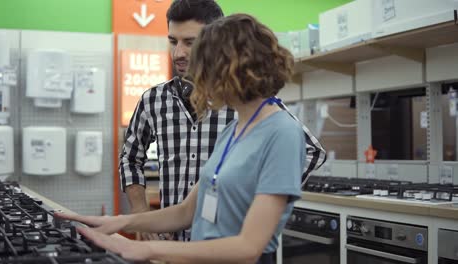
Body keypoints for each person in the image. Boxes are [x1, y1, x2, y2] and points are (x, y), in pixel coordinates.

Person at [57, 13, 313, 264]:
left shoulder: (282, 133)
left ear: (233, 70)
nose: (198, 82)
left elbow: (248, 247)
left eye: (204, 70)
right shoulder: (234, 130)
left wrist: (144, 250)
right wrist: (119, 222)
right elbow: (187, 211)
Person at [120, 0, 326, 242]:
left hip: (226, 244)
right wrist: (136, 215)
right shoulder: (157, 101)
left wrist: (258, 199)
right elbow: (134, 161)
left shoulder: (257, 111)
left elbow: (311, 151)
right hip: (177, 243)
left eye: (190, 42)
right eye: (173, 41)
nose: (178, 53)